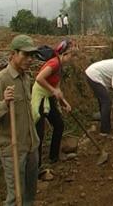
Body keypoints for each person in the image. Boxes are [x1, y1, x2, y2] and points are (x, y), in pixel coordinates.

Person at [0, 35, 40, 206]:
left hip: (31, 145)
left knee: (30, 194)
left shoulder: (26, 78)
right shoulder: (0, 81)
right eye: (25, 55)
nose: (29, 59)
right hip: (13, 149)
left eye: (32, 56)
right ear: (13, 54)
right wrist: (4, 104)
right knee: (15, 197)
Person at [31, 39, 74, 169]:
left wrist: (64, 102)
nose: (72, 58)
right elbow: (39, 78)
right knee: (39, 132)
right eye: (71, 55)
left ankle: (53, 157)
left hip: (48, 97)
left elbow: (57, 89)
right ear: (64, 54)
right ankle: (37, 167)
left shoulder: (61, 67)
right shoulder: (54, 63)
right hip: (39, 97)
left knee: (59, 125)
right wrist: (53, 90)